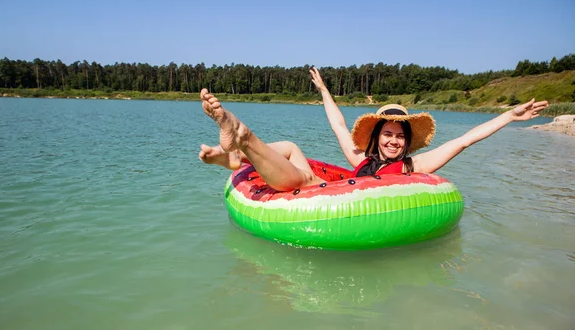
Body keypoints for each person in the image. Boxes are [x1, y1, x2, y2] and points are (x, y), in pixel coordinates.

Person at [199, 67, 548, 192]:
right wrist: (324, 91)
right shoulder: (359, 157)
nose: (394, 140)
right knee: (289, 146)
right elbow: (337, 123)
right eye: (388, 134)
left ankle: (242, 136)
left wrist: (509, 117)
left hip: (324, 191)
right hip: (333, 185)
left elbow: (465, 139)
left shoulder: (413, 166)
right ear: (377, 137)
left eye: (400, 135)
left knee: (303, 181)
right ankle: (229, 153)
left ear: (406, 142)